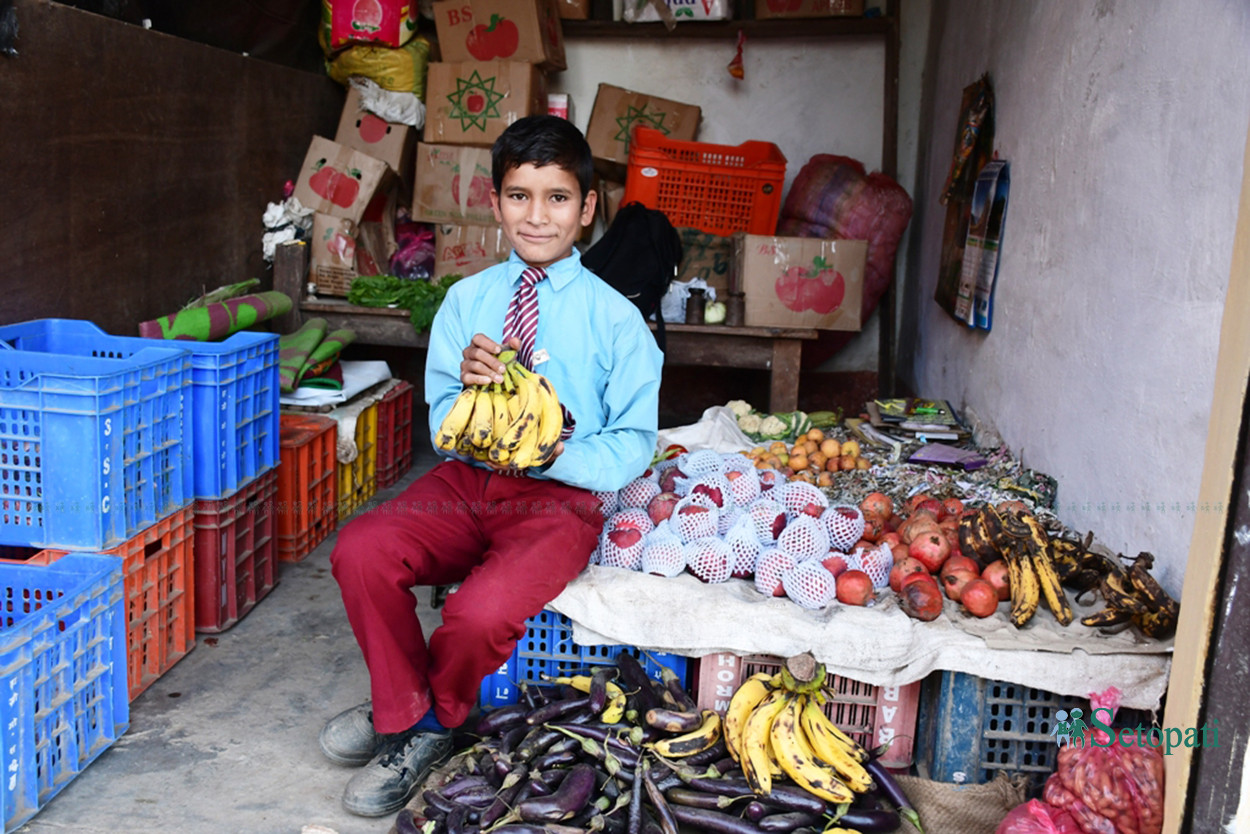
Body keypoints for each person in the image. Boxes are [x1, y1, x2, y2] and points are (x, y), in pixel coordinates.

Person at [319, 114, 664, 818]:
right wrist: (470, 400)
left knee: (477, 614)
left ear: (587, 206)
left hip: (559, 501)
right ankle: (403, 706)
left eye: (557, 197)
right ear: (496, 201)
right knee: (360, 550)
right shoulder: (466, 302)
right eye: (519, 196)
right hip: (468, 483)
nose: (537, 217)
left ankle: (433, 724)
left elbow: (634, 444)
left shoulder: (617, 321)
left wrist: (558, 446)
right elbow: (443, 425)